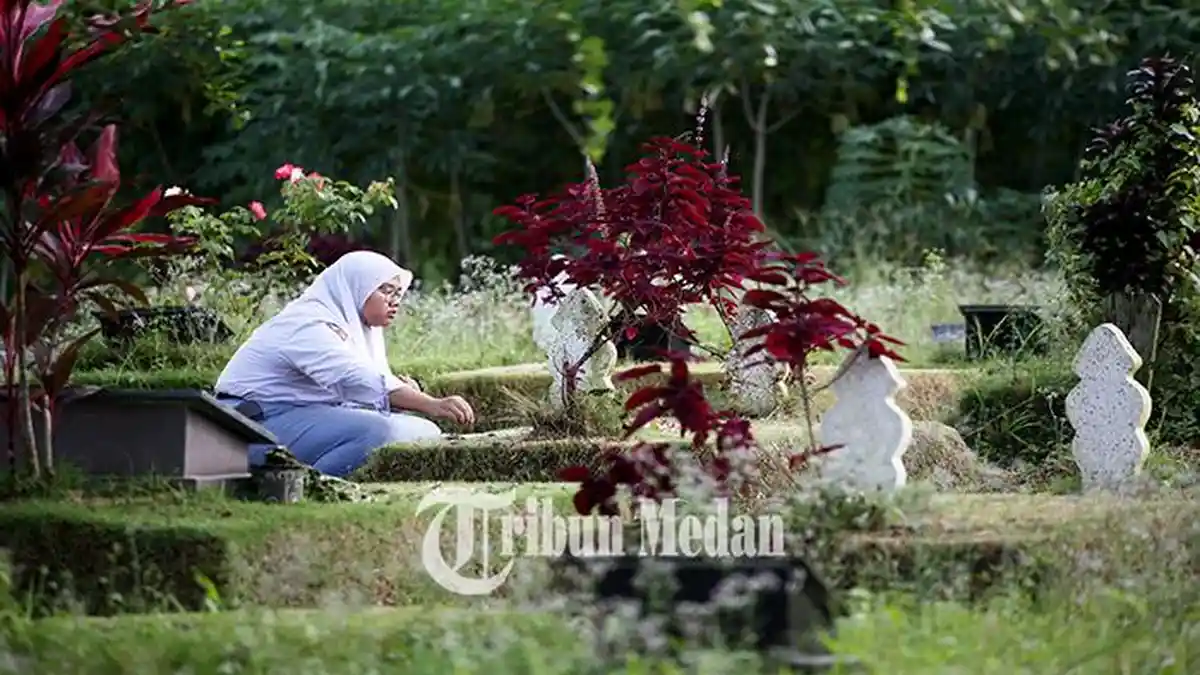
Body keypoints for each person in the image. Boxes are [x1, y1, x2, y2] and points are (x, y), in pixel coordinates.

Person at [214, 250, 475, 477]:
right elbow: (354, 379)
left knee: (424, 430)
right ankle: (310, 491)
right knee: (377, 431)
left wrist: (402, 398)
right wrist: (429, 403)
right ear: (356, 287)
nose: (394, 300)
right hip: (253, 424)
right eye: (385, 290)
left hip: (299, 414)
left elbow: (365, 390)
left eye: (398, 293)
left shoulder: (353, 327)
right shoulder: (308, 323)